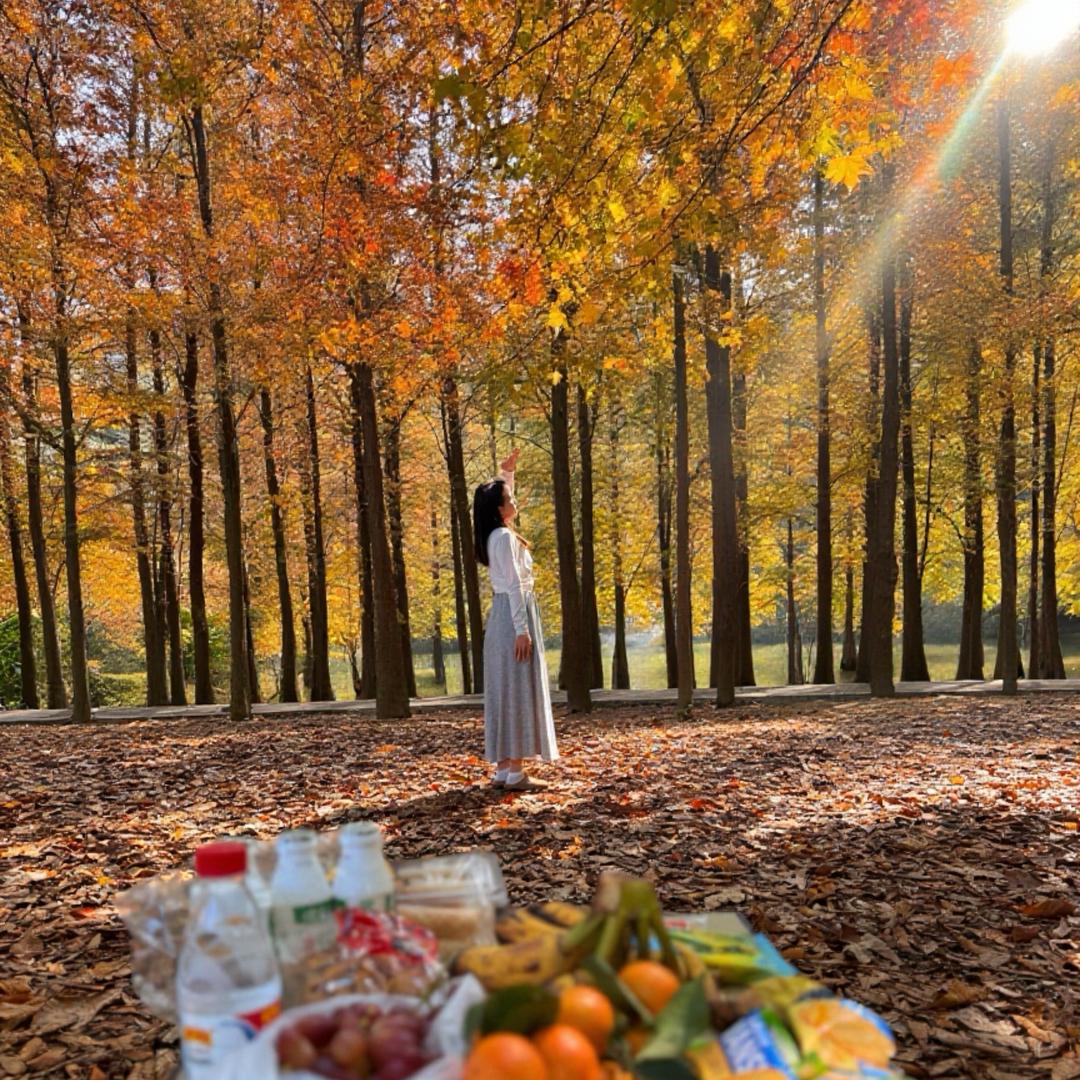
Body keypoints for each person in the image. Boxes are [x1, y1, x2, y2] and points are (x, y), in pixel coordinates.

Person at [472, 447, 558, 790]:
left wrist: (507, 473)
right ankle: (517, 771)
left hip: (501, 617)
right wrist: (522, 630)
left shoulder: (494, 535)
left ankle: (506, 768)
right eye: (508, 497)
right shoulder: (505, 538)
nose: (513, 500)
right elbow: (514, 586)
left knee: (505, 688)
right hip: (512, 615)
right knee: (518, 687)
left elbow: (504, 505)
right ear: (498, 508)